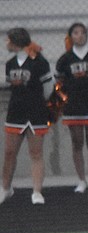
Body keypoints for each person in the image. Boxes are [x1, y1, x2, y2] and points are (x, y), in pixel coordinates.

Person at [2, 28, 53, 206]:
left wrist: (39, 104)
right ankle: (5, 188)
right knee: (9, 153)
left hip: (36, 113)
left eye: (8, 41)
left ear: (16, 42)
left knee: (36, 153)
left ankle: (37, 191)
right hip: (15, 112)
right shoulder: (9, 64)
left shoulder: (40, 62)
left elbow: (48, 89)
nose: (6, 44)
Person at [55, 23, 88, 193]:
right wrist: (64, 98)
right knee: (77, 142)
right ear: (71, 36)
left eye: (83, 33)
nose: (80, 36)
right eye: (76, 33)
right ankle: (81, 180)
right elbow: (58, 82)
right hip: (73, 105)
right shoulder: (65, 59)